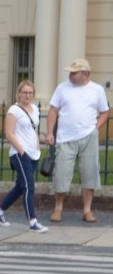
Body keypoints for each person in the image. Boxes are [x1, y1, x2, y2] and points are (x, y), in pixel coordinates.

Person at [45, 58, 110, 223]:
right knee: (61, 173)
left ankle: (87, 210)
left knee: (89, 173)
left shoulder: (96, 90)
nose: (70, 75)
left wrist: (96, 128)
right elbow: (53, 111)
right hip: (65, 137)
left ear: (85, 74)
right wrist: (49, 132)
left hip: (88, 136)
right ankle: (58, 208)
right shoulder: (62, 88)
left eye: (74, 72)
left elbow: (104, 112)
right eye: (70, 72)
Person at [0, 81, 47, 233]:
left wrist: (37, 146)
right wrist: (22, 151)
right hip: (19, 153)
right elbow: (9, 134)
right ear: (19, 94)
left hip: (33, 153)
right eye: (24, 92)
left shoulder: (34, 109)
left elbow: (34, 129)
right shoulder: (13, 111)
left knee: (21, 187)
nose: (27, 95)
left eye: (30, 93)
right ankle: (33, 221)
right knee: (29, 186)